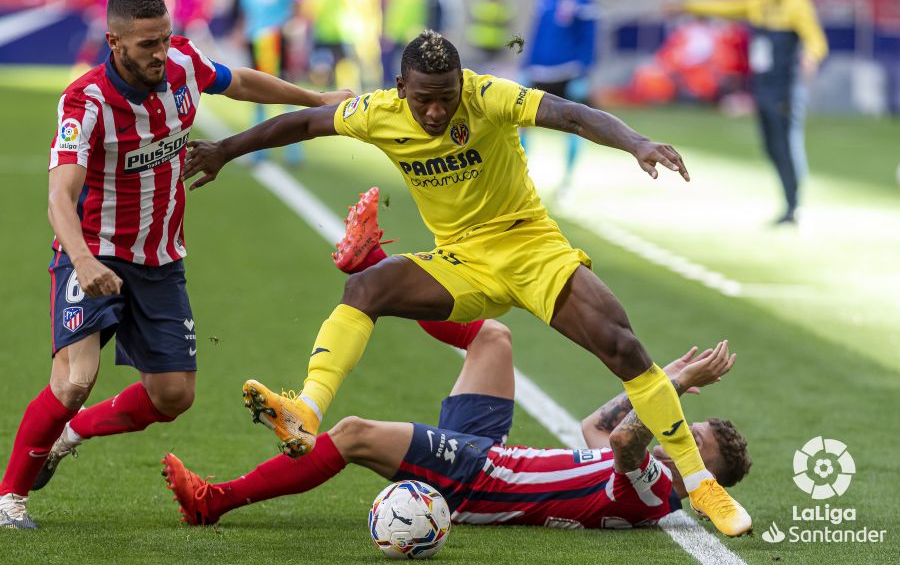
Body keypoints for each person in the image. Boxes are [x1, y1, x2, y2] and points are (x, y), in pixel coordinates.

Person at [183, 29, 751, 537]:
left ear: (462, 84)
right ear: (401, 86)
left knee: (623, 346)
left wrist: (635, 142)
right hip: (462, 260)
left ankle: (700, 482)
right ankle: (306, 409)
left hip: (531, 248)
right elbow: (303, 123)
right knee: (369, 289)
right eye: (424, 99)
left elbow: (571, 114)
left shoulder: (487, 96)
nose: (435, 112)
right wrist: (225, 151)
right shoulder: (378, 111)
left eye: (446, 97)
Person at [0, 0, 352, 530]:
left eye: (164, 39)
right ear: (114, 41)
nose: (160, 53)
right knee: (73, 380)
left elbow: (241, 83)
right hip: (91, 251)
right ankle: (8, 500)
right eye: (147, 45)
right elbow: (58, 198)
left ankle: (71, 434)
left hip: (161, 259)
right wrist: (85, 261)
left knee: (173, 395)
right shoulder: (84, 103)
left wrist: (315, 99)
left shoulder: (185, 62)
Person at [162, 205, 749, 529]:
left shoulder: (656, 495)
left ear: (706, 484)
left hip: (480, 482)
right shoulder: (645, 474)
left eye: (698, 448)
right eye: (689, 433)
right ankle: (378, 272)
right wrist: (659, 385)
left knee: (353, 434)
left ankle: (213, 501)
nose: (683, 444)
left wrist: (670, 385)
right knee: (492, 337)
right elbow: (600, 426)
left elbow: (623, 441)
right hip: (490, 450)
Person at [665, 0, 828, 224]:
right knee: (772, 146)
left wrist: (811, 55)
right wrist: (686, 5)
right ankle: (788, 203)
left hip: (785, 85)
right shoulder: (758, 1)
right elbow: (723, 7)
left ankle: (794, 205)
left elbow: (815, 38)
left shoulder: (796, 3)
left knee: (787, 144)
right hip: (762, 86)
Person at [523, 0, 599, 204]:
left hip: (568, 72)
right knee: (521, 124)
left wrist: (583, 72)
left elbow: (589, 39)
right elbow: (536, 34)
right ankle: (520, 178)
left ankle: (567, 182)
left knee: (577, 127)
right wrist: (526, 66)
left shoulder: (584, 2)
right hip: (539, 71)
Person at [234, 0, 302, 165]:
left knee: (286, 91)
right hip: (254, 42)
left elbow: (297, 5)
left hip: (276, 41)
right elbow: (245, 14)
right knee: (257, 93)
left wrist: (290, 26)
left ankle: (293, 148)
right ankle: (259, 148)